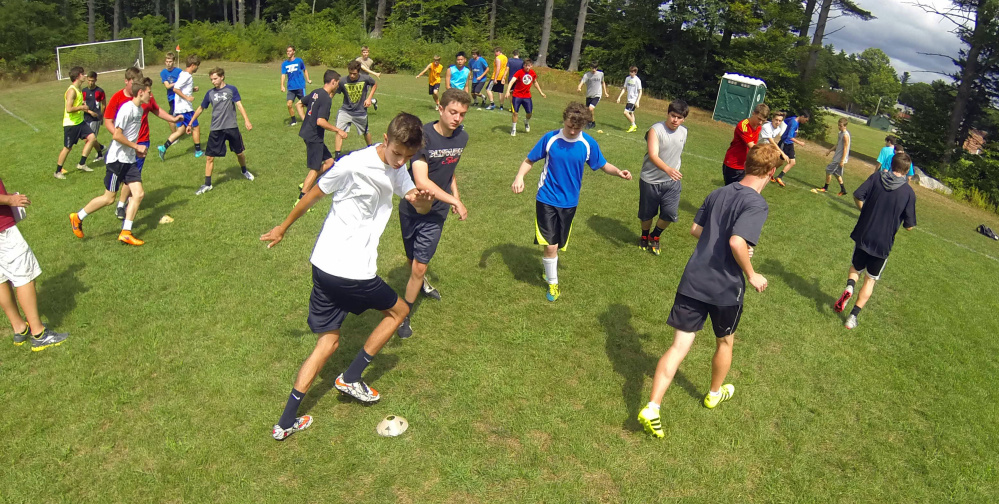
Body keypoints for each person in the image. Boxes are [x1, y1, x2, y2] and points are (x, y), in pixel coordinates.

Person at [261, 113, 435, 441]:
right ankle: (352, 377)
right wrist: (282, 227)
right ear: (385, 138)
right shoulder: (353, 164)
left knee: (328, 342)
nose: (400, 161)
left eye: (407, 157)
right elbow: (313, 194)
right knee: (400, 311)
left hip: (324, 268)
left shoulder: (399, 169)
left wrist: (423, 202)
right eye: (396, 153)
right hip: (349, 270)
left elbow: (414, 201)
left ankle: (284, 423)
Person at [637, 144, 780, 439]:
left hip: (693, 279)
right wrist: (752, 274)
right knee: (725, 342)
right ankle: (715, 393)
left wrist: (723, 238)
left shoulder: (718, 193)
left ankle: (652, 407)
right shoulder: (757, 204)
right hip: (725, 287)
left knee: (678, 347)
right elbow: (737, 243)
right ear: (771, 172)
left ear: (745, 164)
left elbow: (695, 230)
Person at [511, 102, 632, 302]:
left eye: (577, 128)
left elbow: (602, 164)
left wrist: (618, 171)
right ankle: (553, 284)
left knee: (557, 244)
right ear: (564, 120)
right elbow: (529, 160)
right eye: (569, 126)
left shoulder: (588, 144)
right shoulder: (550, 139)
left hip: (570, 202)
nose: (573, 131)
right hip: (547, 198)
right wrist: (519, 178)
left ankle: (548, 267)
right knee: (550, 245)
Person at [396, 88, 472, 339]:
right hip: (412, 206)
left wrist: (455, 197)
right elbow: (421, 180)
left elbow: (450, 171)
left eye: (462, 114)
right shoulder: (423, 137)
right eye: (453, 112)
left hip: (435, 213)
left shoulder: (462, 138)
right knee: (411, 259)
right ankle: (423, 284)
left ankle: (403, 315)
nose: (457, 118)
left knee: (418, 266)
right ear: (440, 108)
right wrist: (455, 201)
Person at [833, 153, 916, 330]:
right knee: (870, 280)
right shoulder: (908, 192)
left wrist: (864, 211)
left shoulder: (877, 177)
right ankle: (852, 317)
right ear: (907, 170)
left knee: (856, 267)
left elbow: (857, 195)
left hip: (864, 233)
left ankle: (849, 287)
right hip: (883, 242)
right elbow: (909, 226)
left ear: (891, 164)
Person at [71, 79, 152, 247]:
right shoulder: (127, 109)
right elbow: (116, 135)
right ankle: (77, 217)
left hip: (129, 159)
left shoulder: (138, 109)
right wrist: (136, 145)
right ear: (141, 92)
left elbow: (128, 136)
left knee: (139, 194)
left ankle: (126, 232)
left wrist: (135, 150)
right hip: (117, 160)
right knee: (109, 199)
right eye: (149, 92)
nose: (151, 95)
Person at [0, 178, 70, 351]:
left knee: (1, 279)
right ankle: (39, 334)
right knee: (25, 276)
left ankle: (19, 328)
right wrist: (9, 200)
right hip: (3, 230)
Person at [104, 70, 183, 220]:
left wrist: (172, 119)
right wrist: (120, 137)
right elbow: (108, 120)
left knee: (133, 174)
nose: (137, 85)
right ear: (126, 81)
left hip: (142, 141)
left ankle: (122, 207)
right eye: (134, 82)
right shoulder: (118, 98)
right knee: (116, 185)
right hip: (124, 144)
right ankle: (87, 213)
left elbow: (156, 109)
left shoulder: (144, 99)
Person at [187, 67, 254, 196]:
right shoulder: (210, 94)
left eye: (215, 78)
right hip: (216, 129)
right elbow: (201, 108)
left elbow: (239, 105)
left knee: (239, 153)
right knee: (210, 157)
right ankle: (207, 184)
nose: (213, 81)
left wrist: (247, 120)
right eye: (211, 79)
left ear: (222, 77)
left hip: (231, 127)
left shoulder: (231, 89)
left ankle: (244, 170)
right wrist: (190, 123)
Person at [638, 100, 689, 256]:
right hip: (650, 180)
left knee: (670, 213)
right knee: (647, 213)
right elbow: (653, 155)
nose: (675, 120)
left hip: (672, 181)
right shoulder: (656, 130)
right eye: (673, 116)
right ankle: (645, 235)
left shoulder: (684, 132)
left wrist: (671, 171)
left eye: (679, 118)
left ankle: (655, 235)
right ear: (668, 114)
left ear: (684, 119)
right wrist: (667, 169)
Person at [295, 70, 346, 204]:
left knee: (329, 162)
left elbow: (298, 104)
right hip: (314, 136)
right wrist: (338, 130)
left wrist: (306, 120)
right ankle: (302, 199)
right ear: (333, 82)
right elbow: (320, 121)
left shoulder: (316, 92)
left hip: (307, 132)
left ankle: (308, 181)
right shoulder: (326, 99)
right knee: (315, 167)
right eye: (337, 84)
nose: (337, 86)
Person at [55, 66, 99, 179]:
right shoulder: (71, 91)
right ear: (78, 76)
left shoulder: (78, 89)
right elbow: (69, 109)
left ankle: (82, 163)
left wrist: (83, 108)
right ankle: (57, 171)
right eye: (82, 74)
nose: (84, 76)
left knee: (92, 138)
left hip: (80, 122)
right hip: (71, 124)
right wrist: (82, 107)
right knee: (67, 148)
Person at [157, 54, 202, 160]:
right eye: (197, 65)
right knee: (196, 127)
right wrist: (187, 97)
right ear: (192, 65)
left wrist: (192, 90)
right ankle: (198, 151)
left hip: (180, 108)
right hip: (185, 108)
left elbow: (182, 87)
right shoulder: (186, 75)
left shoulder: (183, 74)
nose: (197, 68)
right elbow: (176, 89)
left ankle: (163, 148)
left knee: (181, 130)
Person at [333, 61, 377, 161]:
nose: (352, 76)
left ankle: (371, 149)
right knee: (339, 131)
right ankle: (337, 157)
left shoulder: (365, 78)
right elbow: (334, 92)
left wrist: (369, 98)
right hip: (345, 111)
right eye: (350, 73)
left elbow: (374, 84)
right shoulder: (343, 81)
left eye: (354, 74)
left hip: (360, 111)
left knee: (366, 132)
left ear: (359, 71)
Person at [721, 103, 769, 185]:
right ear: (753, 113)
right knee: (731, 192)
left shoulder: (758, 127)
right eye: (759, 119)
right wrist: (767, 155)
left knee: (741, 192)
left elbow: (755, 144)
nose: (760, 123)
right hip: (733, 164)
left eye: (763, 121)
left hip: (746, 165)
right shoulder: (743, 126)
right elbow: (752, 146)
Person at [503, 58, 547, 136]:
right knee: (515, 113)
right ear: (523, 65)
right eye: (526, 65)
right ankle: (513, 129)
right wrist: (507, 91)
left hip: (527, 96)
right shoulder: (519, 72)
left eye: (529, 66)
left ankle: (526, 122)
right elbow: (512, 81)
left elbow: (535, 83)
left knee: (529, 113)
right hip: (517, 95)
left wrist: (541, 92)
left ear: (531, 66)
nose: (527, 67)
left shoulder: (533, 73)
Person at [811, 117, 851, 196]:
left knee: (828, 170)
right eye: (838, 125)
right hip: (837, 157)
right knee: (836, 173)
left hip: (839, 159)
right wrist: (830, 150)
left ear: (845, 126)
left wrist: (842, 160)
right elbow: (838, 144)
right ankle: (843, 190)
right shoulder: (840, 133)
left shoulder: (845, 135)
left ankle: (825, 188)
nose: (839, 127)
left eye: (841, 126)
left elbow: (846, 148)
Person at [774, 110, 809, 185]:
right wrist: (800, 142)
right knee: (779, 162)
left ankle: (779, 177)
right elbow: (790, 136)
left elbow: (785, 121)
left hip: (790, 144)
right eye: (805, 120)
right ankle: (768, 173)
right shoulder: (794, 123)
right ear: (802, 116)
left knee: (792, 162)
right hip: (785, 143)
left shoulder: (793, 119)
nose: (805, 122)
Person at [281, 46, 311, 127]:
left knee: (305, 104)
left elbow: (304, 69)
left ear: (294, 52)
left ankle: (311, 118)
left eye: (290, 51)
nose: (288, 53)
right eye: (287, 51)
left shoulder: (299, 61)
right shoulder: (284, 64)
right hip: (291, 88)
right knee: (289, 104)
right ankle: (294, 121)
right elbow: (283, 75)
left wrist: (308, 79)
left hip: (300, 87)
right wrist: (282, 86)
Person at [81, 71, 107, 163]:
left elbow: (103, 104)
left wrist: (101, 116)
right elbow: (81, 105)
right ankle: (101, 147)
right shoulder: (83, 91)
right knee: (86, 138)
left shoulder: (100, 91)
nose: (91, 83)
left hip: (95, 119)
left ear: (96, 80)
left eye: (92, 81)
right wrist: (88, 112)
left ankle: (100, 155)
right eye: (89, 80)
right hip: (86, 118)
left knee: (90, 139)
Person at [577, 62, 609, 129]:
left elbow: (603, 82)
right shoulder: (587, 75)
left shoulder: (601, 74)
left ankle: (589, 123)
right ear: (590, 67)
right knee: (588, 111)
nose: (594, 69)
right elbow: (582, 82)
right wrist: (579, 87)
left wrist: (605, 92)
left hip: (597, 94)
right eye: (592, 68)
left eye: (595, 68)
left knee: (590, 108)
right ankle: (593, 122)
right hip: (589, 95)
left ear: (597, 68)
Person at [759, 110, 790, 179]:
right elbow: (771, 141)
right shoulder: (766, 127)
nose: (778, 122)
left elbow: (772, 142)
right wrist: (782, 153)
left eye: (780, 121)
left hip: (765, 148)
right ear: (772, 119)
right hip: (756, 147)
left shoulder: (778, 129)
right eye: (776, 120)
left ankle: (767, 173)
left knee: (779, 159)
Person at [160, 51, 182, 133]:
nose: (168, 63)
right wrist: (177, 83)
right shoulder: (163, 73)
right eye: (167, 62)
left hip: (180, 96)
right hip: (171, 98)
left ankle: (176, 135)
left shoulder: (179, 71)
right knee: (171, 118)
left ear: (174, 62)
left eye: (170, 61)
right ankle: (176, 135)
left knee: (177, 116)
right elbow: (167, 86)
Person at [616, 66, 643, 132]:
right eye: (630, 72)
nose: (630, 73)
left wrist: (637, 101)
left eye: (632, 72)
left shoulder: (637, 80)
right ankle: (633, 127)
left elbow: (640, 91)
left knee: (625, 112)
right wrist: (619, 97)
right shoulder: (627, 79)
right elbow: (624, 89)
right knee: (631, 113)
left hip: (633, 100)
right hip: (629, 99)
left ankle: (633, 125)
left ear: (635, 72)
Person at [355, 46, 380, 110]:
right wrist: (375, 73)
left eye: (366, 52)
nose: (365, 53)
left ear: (368, 53)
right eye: (364, 52)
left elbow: (366, 70)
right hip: (358, 79)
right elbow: (364, 68)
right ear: (361, 53)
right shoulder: (358, 60)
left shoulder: (370, 61)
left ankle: (362, 108)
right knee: (357, 95)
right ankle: (373, 101)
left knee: (362, 96)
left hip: (366, 80)